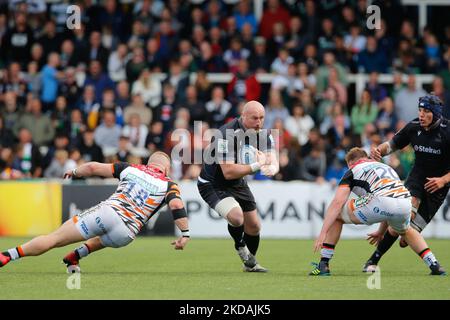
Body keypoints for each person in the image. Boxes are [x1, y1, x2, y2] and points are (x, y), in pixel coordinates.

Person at [0, 152, 190, 272]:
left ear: (149, 163)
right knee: (103, 238)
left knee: (54, 239)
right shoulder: (169, 184)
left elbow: (92, 167)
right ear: (166, 168)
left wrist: (74, 172)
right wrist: (185, 234)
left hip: (108, 213)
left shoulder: (130, 168)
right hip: (126, 235)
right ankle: (76, 255)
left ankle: (9, 255)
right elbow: (176, 206)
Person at [310, 147, 446, 276]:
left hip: (381, 200)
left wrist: (323, 233)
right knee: (405, 230)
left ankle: (324, 264)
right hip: (405, 202)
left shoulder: (353, 170)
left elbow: (337, 203)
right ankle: (434, 265)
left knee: (338, 216)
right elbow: (391, 206)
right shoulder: (386, 167)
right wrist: (381, 232)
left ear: (351, 163)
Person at [362, 94, 450, 272]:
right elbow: (392, 144)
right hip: (416, 179)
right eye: (420, 110)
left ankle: (385, 249)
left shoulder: (447, 131)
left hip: (438, 187)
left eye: (426, 111)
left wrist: (443, 180)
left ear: (436, 113)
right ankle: (373, 261)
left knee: (406, 238)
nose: (421, 115)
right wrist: (379, 150)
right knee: (400, 224)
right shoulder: (413, 127)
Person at [197, 100, 279, 272]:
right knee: (237, 217)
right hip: (213, 183)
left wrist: (271, 167)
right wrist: (258, 165)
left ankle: (250, 264)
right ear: (243, 117)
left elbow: (272, 160)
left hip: (237, 182)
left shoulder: (263, 134)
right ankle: (240, 247)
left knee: (254, 226)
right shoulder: (225, 134)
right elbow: (228, 172)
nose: (259, 123)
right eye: (254, 118)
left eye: (262, 118)